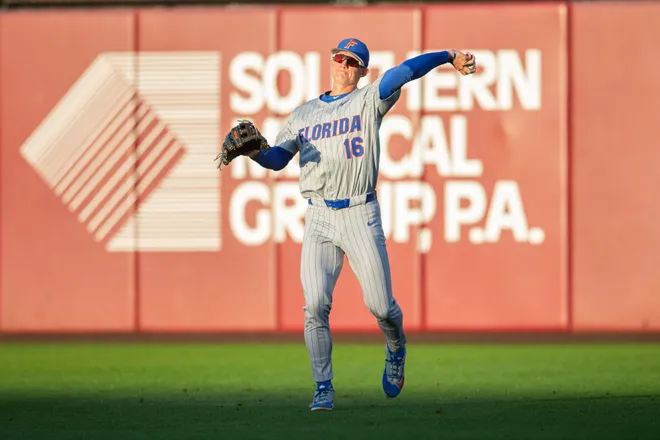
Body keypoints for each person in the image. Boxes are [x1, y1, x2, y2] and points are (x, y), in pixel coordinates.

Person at [243, 38, 476, 411]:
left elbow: (405, 72)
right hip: (319, 215)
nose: (344, 65)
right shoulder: (303, 115)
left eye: (353, 62)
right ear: (331, 60)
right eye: (340, 57)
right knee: (315, 304)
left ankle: (396, 348)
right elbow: (275, 160)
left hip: (359, 212)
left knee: (381, 306)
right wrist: (252, 151)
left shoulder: (369, 100)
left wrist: (448, 56)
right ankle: (323, 386)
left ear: (363, 70)